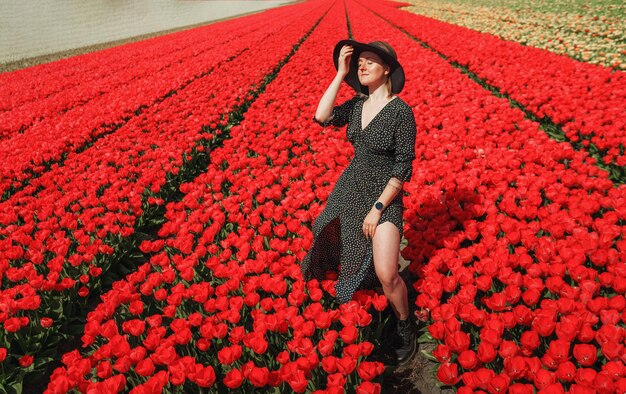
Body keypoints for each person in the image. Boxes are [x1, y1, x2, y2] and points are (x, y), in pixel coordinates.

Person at [300, 39, 418, 364]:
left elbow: (403, 166)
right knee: (326, 233)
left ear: (387, 69)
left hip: (384, 195)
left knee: (387, 273)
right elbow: (321, 116)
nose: (362, 66)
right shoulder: (356, 105)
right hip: (351, 187)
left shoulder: (400, 112)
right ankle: (345, 305)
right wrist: (340, 73)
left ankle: (406, 325)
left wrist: (378, 209)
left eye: (369, 61)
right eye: (359, 62)